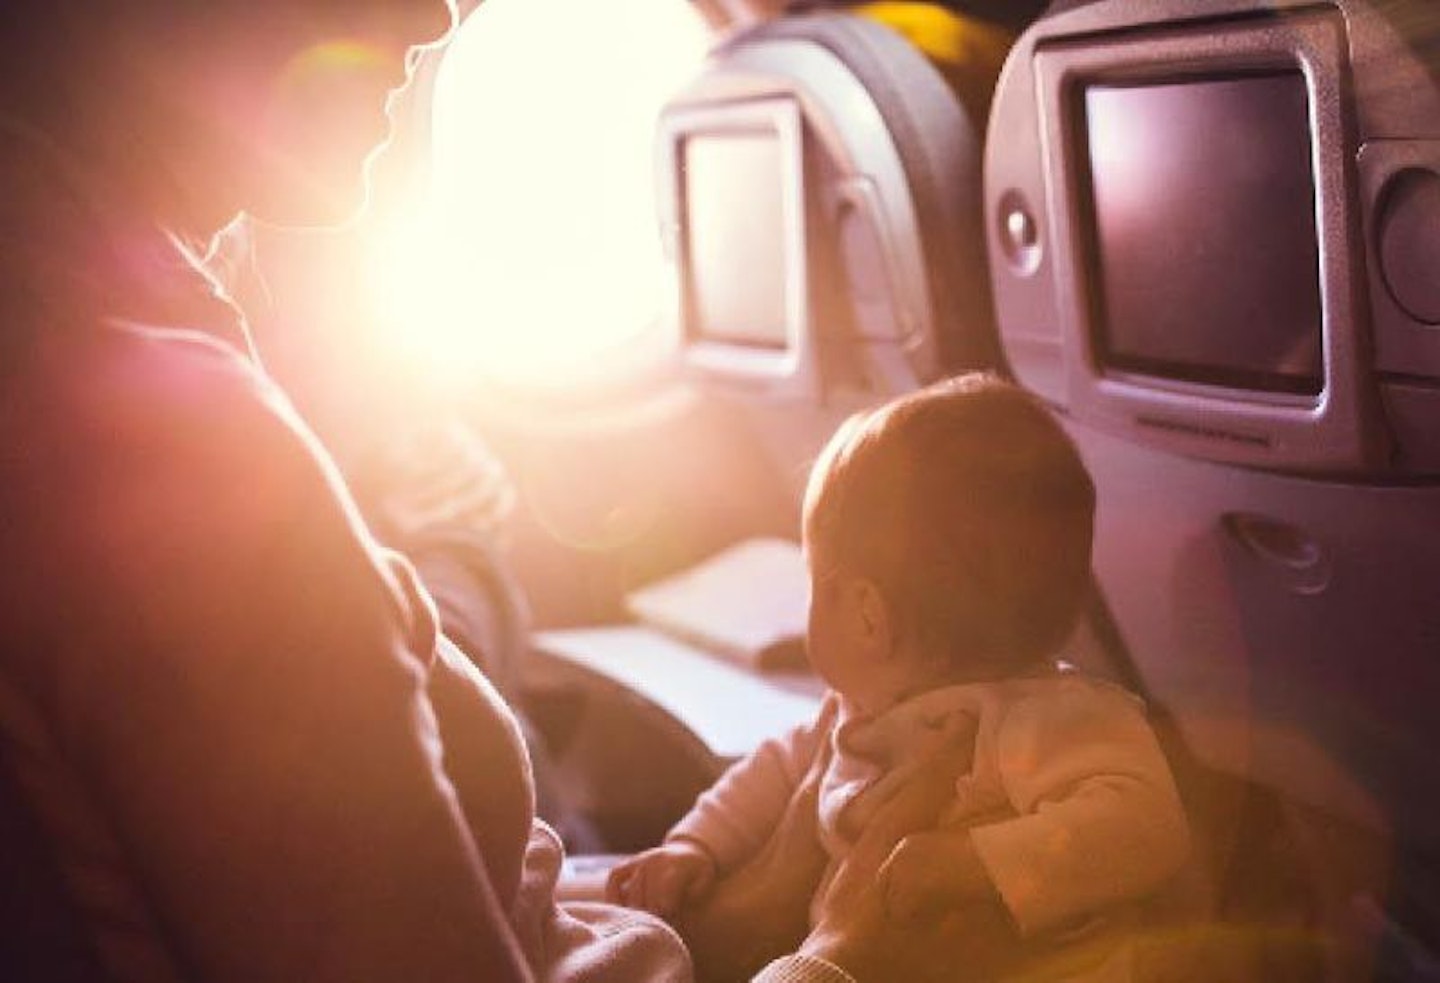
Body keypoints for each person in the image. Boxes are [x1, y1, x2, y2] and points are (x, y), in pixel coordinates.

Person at [0, 4, 887, 981]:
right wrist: (815, 945)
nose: (436, 17)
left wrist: (739, 906)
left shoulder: (89, 362)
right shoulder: (167, 450)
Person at [608, 375, 1193, 982]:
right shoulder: (854, 714)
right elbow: (773, 773)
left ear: (867, 616)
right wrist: (696, 847)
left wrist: (975, 863)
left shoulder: (1049, 716)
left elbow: (1145, 827)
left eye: (814, 583)